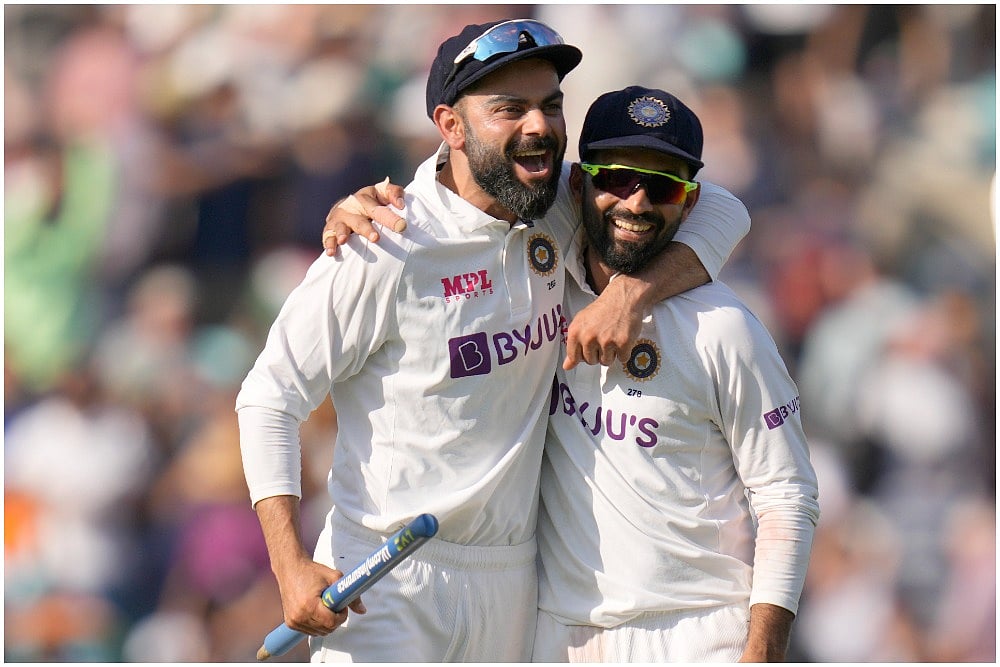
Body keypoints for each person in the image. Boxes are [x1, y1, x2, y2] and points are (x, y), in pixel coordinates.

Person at [238, 19, 748, 662]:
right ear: (451, 126)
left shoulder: (557, 205)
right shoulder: (383, 242)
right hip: (388, 578)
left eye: (550, 105)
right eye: (510, 109)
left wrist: (628, 296)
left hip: (511, 584)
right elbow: (269, 396)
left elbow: (724, 209)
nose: (539, 126)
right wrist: (288, 565)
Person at [527, 87, 820, 662]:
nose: (636, 203)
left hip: (697, 633)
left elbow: (787, 494)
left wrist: (763, 651)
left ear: (688, 203)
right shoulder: (539, 289)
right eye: (617, 178)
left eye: (662, 188)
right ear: (578, 184)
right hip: (562, 636)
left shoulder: (724, 328)